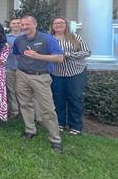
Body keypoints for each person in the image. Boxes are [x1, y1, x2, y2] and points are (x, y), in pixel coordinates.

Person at [12, 15, 64, 152]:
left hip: (41, 77)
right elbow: (17, 54)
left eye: (27, 24)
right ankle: (30, 130)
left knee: (47, 108)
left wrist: (38, 56)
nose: (24, 27)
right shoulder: (19, 40)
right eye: (22, 25)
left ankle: (55, 139)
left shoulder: (47, 39)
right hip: (22, 75)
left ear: (35, 24)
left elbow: (59, 57)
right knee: (24, 104)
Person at [50, 17, 91, 135]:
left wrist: (67, 54)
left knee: (75, 98)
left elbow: (87, 52)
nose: (58, 25)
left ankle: (75, 126)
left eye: (61, 23)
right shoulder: (49, 39)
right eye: (56, 23)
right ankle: (60, 123)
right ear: (52, 26)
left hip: (75, 72)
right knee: (58, 98)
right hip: (57, 73)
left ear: (66, 25)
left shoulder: (74, 36)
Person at [6, 18, 21, 118]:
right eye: (13, 23)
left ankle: (25, 111)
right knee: (11, 90)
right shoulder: (6, 37)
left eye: (18, 23)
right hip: (9, 67)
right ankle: (14, 111)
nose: (16, 25)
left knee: (22, 91)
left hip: (23, 68)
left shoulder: (25, 37)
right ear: (10, 25)